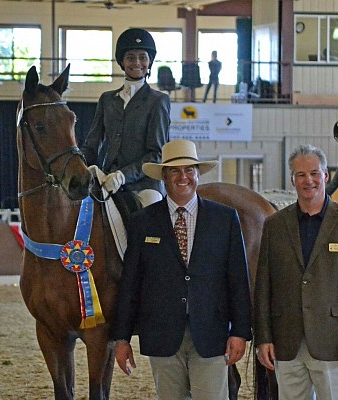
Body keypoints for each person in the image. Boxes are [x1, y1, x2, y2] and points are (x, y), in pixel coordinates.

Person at [113, 139, 252, 400]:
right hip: (162, 335)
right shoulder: (142, 222)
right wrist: (121, 338)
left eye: (189, 170)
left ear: (198, 174)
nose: (183, 176)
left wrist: (241, 332)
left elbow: (238, 280)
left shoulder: (225, 219)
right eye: (175, 171)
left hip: (212, 333)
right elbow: (131, 282)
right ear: (164, 176)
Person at [254, 144, 338, 400]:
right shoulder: (274, 225)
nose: (308, 180)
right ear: (292, 180)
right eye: (301, 175)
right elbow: (264, 285)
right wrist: (263, 337)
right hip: (287, 341)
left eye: (314, 173)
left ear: (325, 176)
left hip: (335, 341)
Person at [80, 28, 170, 207]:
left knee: (153, 215)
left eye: (142, 57)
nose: (137, 62)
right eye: (130, 57)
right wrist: (79, 163)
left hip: (143, 185)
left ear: (149, 61)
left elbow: (157, 153)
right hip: (106, 179)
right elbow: (92, 145)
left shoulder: (158, 100)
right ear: (122, 61)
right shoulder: (106, 99)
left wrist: (123, 175)